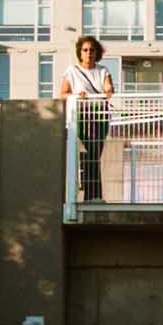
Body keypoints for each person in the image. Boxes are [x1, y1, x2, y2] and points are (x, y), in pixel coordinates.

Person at [59, 36, 114, 203]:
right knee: (91, 153)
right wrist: (77, 96)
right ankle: (94, 196)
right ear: (80, 53)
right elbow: (63, 93)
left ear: (96, 52)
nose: (89, 53)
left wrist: (107, 89)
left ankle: (93, 196)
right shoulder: (71, 71)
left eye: (92, 50)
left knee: (94, 154)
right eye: (85, 50)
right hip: (82, 115)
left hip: (100, 115)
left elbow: (109, 90)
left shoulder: (103, 70)